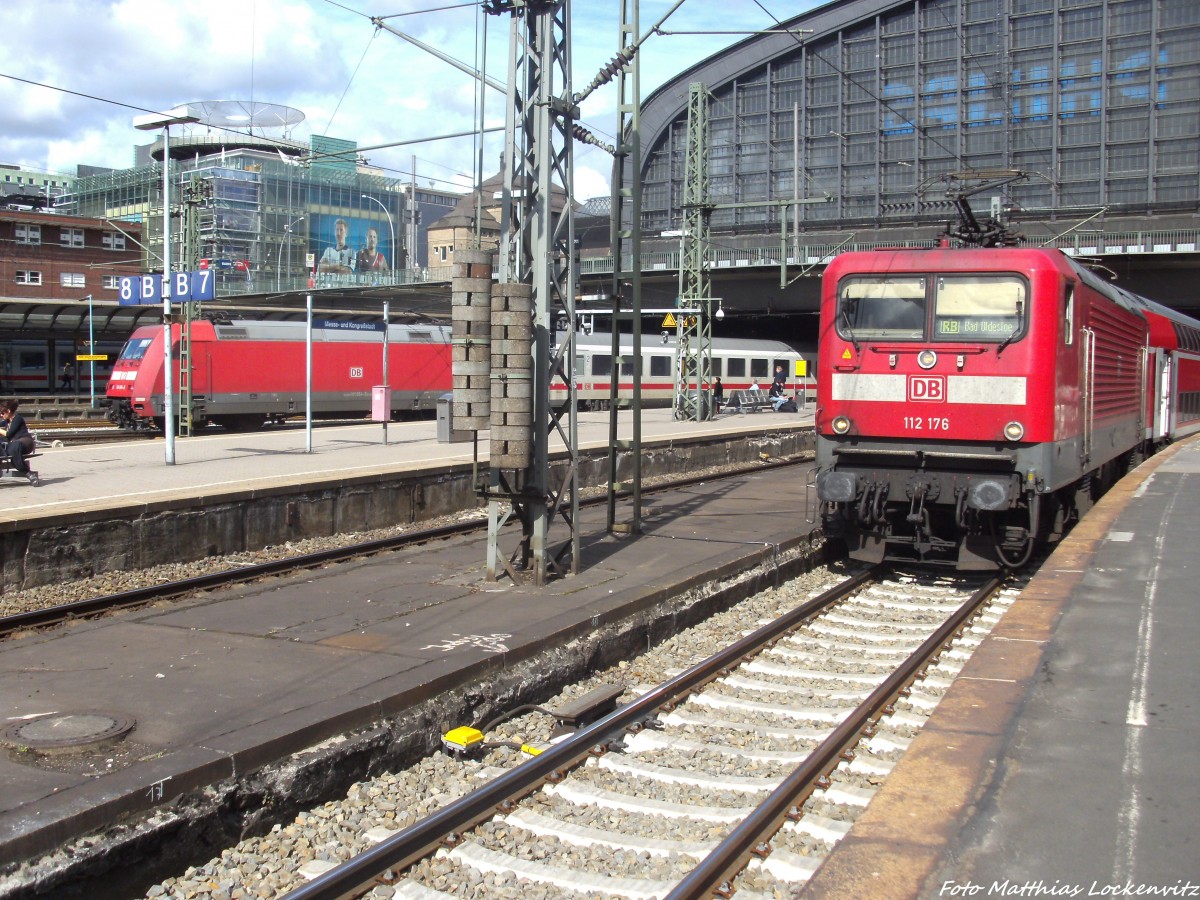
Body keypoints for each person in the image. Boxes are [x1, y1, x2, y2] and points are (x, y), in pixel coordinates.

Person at [0, 399, 38, 485]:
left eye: (2, 413)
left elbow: (9, 434)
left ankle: (28, 473)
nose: (1, 415)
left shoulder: (18, 419)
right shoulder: (7, 422)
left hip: (25, 442)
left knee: (14, 448)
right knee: (10, 447)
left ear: (8, 411)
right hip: (14, 445)